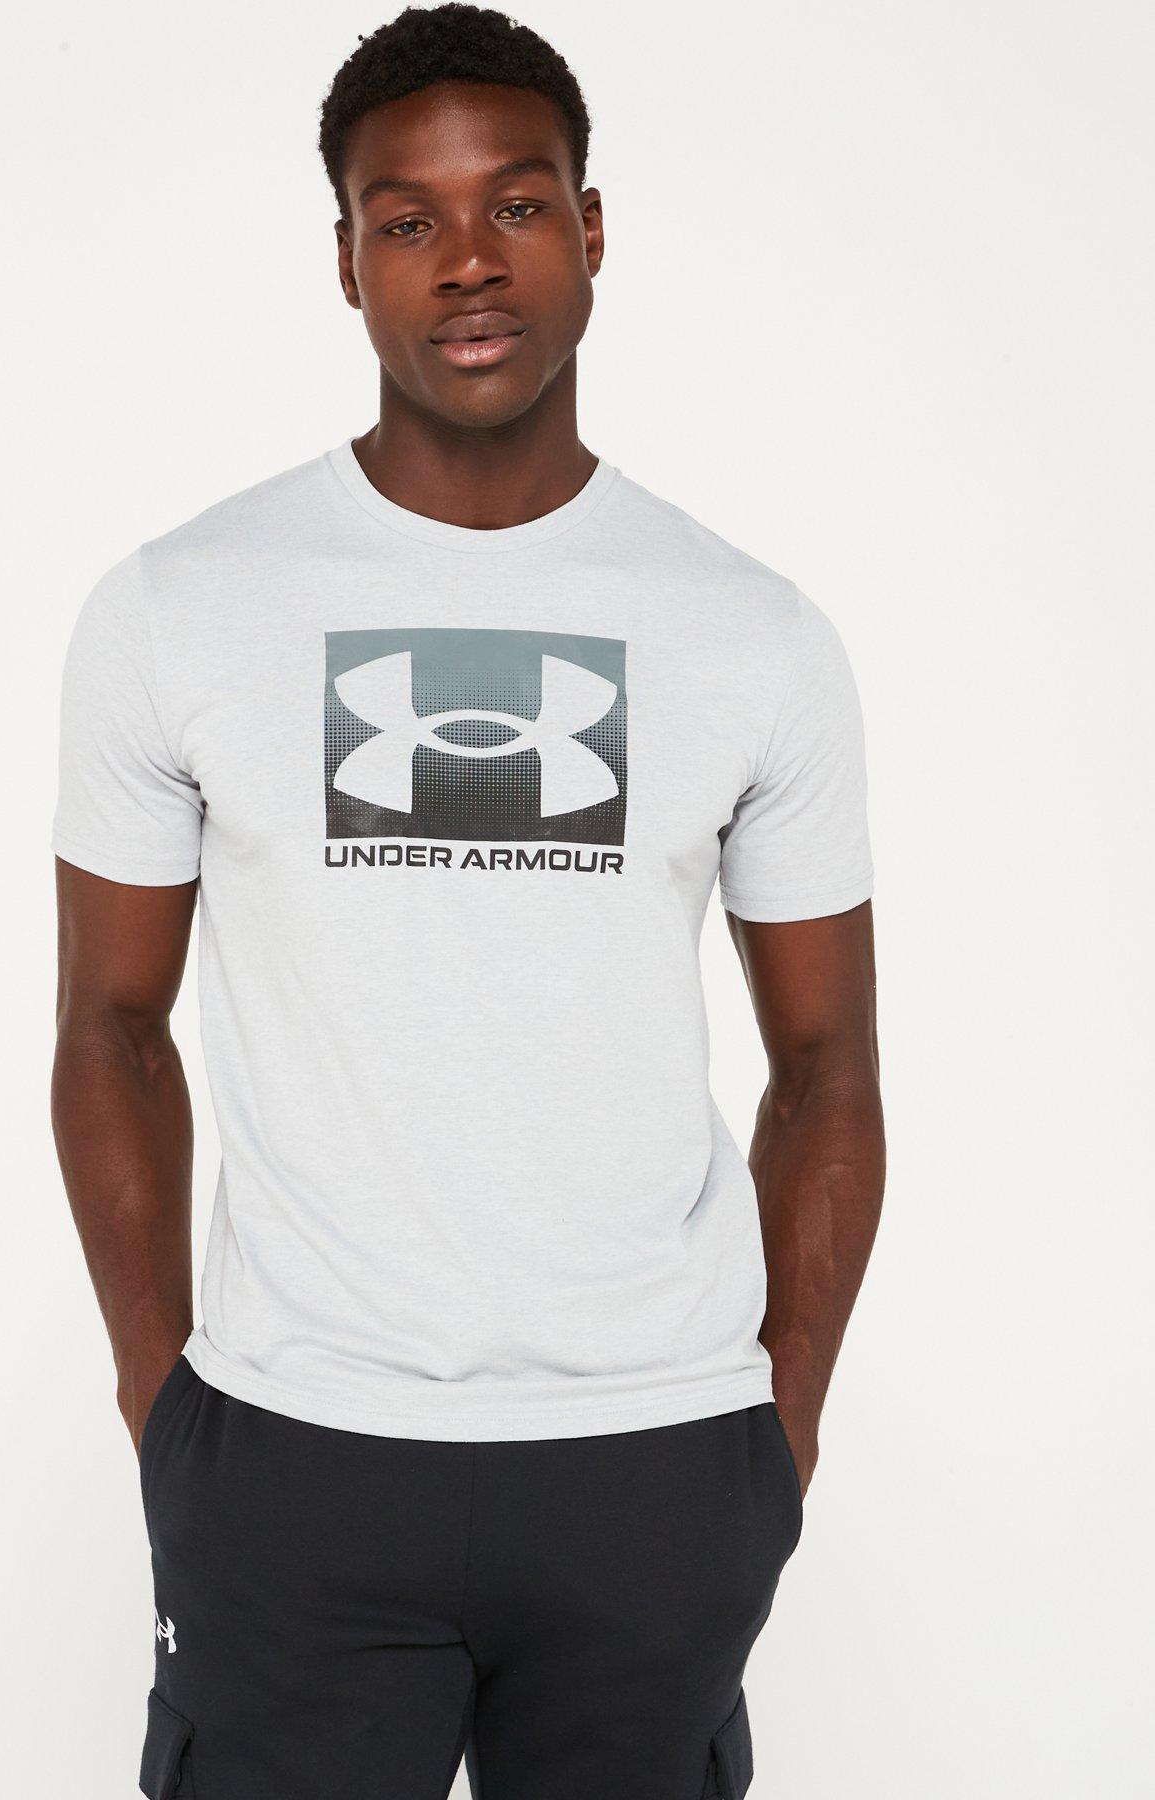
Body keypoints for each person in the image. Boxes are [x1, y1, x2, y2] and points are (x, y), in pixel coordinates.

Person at [50, 6, 886, 1796]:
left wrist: (776, 1436)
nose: (467, 262)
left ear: (590, 228)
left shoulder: (751, 634)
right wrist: (162, 1407)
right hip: (292, 1452)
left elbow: (826, 1070)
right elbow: (110, 1028)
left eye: (512, 204)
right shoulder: (180, 608)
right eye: (405, 219)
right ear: (345, 260)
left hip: (653, 1462)